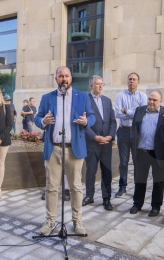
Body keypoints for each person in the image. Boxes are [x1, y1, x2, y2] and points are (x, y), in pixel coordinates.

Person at [34, 66, 95, 236]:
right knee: (51, 187)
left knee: (76, 187)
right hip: (53, 148)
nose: (64, 79)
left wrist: (85, 121)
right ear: (56, 79)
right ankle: (50, 220)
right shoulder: (47, 98)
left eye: (67, 76)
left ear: (71, 78)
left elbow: (91, 116)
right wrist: (43, 121)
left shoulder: (82, 96)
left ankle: (77, 221)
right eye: (61, 76)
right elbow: (37, 118)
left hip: (74, 149)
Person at [130, 90, 164, 217]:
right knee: (139, 180)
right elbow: (135, 128)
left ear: (161, 101)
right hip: (141, 152)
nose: (151, 102)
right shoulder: (139, 110)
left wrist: (162, 143)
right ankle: (137, 203)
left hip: (158, 153)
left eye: (154, 100)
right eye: (150, 99)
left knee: (158, 181)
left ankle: (156, 206)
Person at [82, 75, 117, 211]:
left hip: (106, 143)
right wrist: (95, 137)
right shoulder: (85, 100)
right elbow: (83, 123)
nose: (101, 86)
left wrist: (110, 136)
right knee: (91, 171)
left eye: (102, 83)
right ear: (91, 86)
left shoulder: (107, 101)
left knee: (106, 171)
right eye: (97, 84)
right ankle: (89, 196)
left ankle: (106, 198)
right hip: (92, 143)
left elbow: (113, 121)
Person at [114, 72, 147, 198]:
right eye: (129, 79)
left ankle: (137, 189)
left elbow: (141, 114)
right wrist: (132, 112)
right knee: (123, 162)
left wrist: (126, 110)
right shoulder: (120, 95)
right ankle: (122, 187)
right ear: (127, 81)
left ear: (138, 82)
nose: (131, 81)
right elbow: (117, 113)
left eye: (134, 79)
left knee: (137, 162)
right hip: (123, 131)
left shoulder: (143, 97)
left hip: (136, 131)